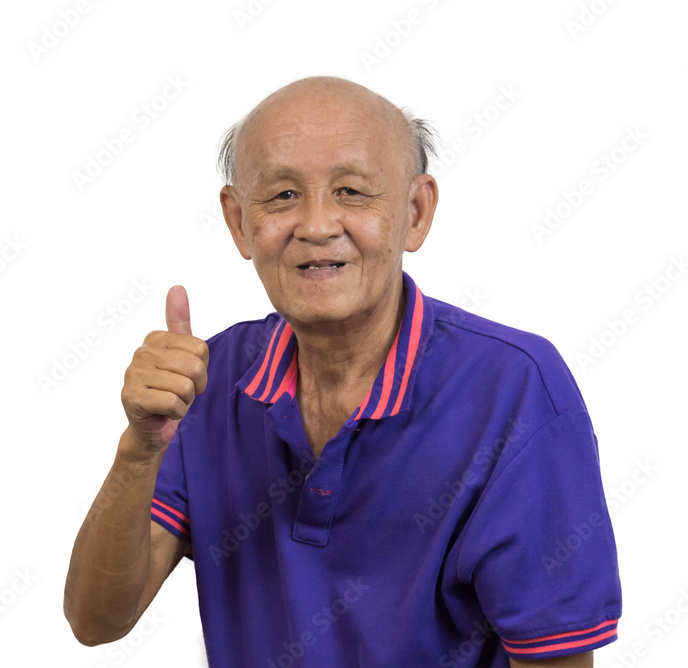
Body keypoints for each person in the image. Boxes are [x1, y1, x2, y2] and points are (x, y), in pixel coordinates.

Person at [63, 76, 621, 667]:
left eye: (351, 192)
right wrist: (140, 450)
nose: (317, 225)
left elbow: (555, 658)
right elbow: (97, 620)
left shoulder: (514, 389)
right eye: (282, 196)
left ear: (415, 212)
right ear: (238, 222)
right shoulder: (211, 377)